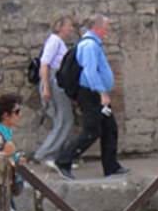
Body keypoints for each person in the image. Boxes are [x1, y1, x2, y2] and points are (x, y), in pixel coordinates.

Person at [52, 14, 128, 180]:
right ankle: (63, 160)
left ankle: (111, 166)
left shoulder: (93, 44)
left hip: (95, 93)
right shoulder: (89, 46)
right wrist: (102, 93)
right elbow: (90, 72)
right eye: (106, 27)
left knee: (110, 128)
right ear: (98, 28)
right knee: (91, 131)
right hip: (91, 94)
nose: (107, 31)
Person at [34, 15, 75, 164]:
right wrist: (46, 87)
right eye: (69, 25)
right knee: (65, 119)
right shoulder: (55, 41)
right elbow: (44, 65)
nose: (71, 29)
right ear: (60, 27)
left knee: (63, 119)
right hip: (54, 81)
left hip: (56, 80)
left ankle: (60, 156)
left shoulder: (57, 42)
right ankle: (45, 153)